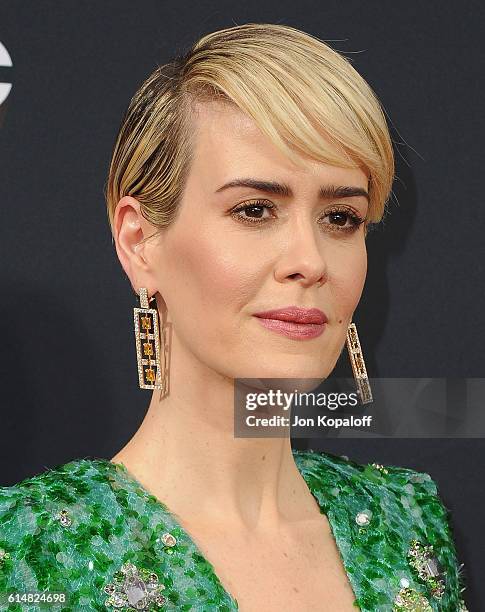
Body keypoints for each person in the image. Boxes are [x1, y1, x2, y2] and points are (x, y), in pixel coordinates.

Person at [0, 22, 468, 612]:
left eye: (342, 218)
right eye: (255, 210)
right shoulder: (27, 551)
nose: (309, 261)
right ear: (140, 241)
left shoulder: (408, 523)